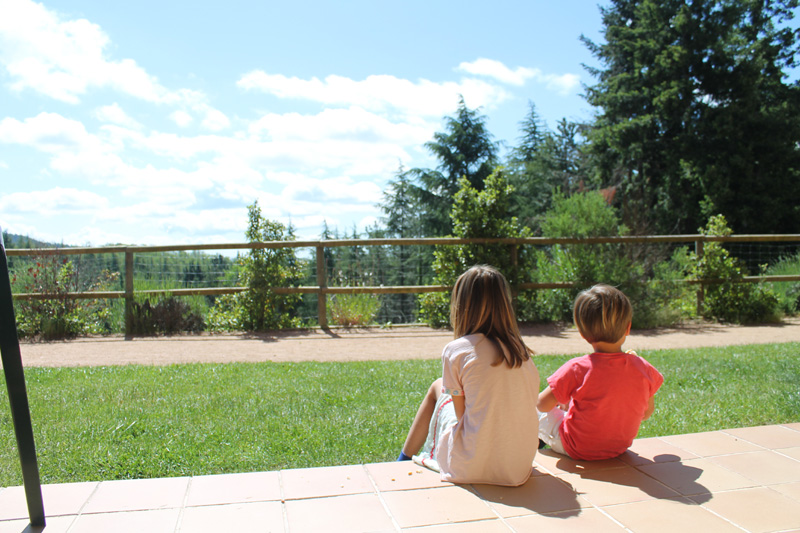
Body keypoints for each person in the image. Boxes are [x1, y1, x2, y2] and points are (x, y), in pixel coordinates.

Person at [398, 265, 540, 486]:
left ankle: (403, 459)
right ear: (505, 304)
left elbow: (462, 416)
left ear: (462, 306)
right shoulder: (521, 353)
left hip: (468, 466)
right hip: (518, 469)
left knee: (437, 388)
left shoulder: (456, 350)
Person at [537, 284, 663, 461]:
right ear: (628, 328)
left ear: (582, 333)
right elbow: (646, 413)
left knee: (535, 407)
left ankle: (538, 441)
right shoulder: (642, 368)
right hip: (618, 448)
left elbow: (542, 405)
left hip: (576, 447)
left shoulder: (577, 368)